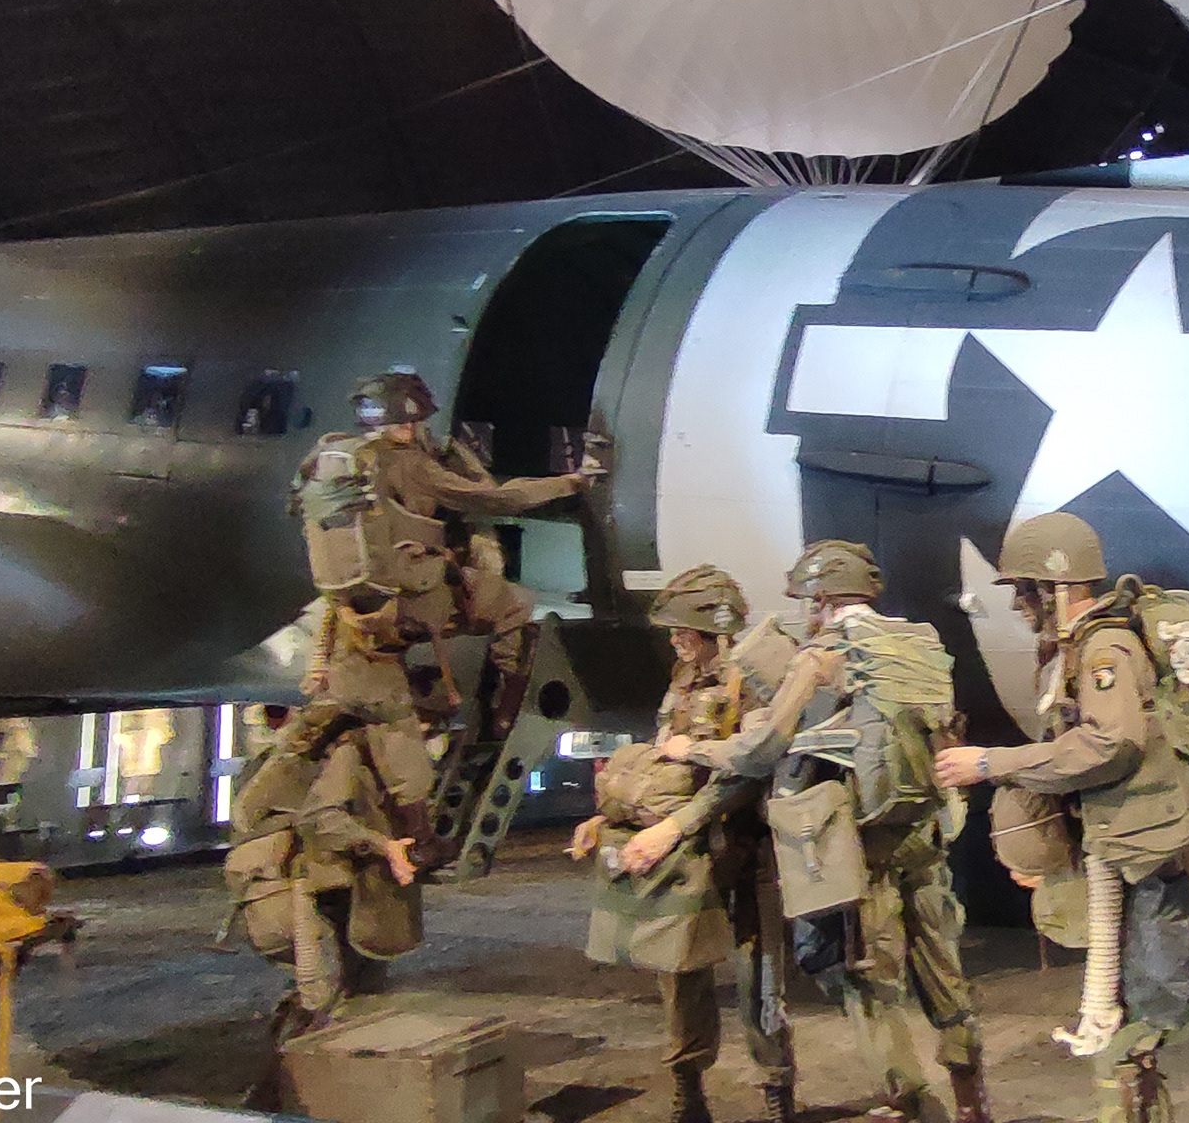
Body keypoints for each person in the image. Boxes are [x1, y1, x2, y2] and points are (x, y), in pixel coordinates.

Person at [652, 540, 991, 1123]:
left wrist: (692, 749)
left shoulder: (822, 655)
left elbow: (759, 751)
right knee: (944, 973)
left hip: (864, 845)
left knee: (863, 979)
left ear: (822, 598)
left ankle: (912, 1104)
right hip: (924, 834)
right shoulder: (916, 643)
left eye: (809, 601)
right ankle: (972, 1103)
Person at [934, 512, 1189, 1123]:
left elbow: (1110, 744)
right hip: (1119, 843)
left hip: (1143, 851)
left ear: (1055, 587)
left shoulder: (1104, 648)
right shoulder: (1075, 648)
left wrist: (991, 763)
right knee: (1122, 1008)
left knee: (1145, 1015)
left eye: (1025, 590)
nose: (1019, 605)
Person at [289, 369, 597, 866]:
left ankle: (412, 831)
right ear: (409, 420)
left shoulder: (331, 457)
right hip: (412, 602)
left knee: (385, 719)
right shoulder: (410, 464)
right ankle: (503, 709)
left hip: (352, 613)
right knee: (516, 604)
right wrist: (570, 482)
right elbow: (496, 498)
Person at [572, 566, 797, 1123]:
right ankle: (688, 1089)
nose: (675, 640)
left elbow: (752, 770)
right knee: (678, 973)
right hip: (689, 851)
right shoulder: (684, 678)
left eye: (684, 631)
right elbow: (659, 758)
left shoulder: (758, 678)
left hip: (749, 848)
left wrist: (675, 825)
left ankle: (776, 1089)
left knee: (760, 979)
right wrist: (610, 816)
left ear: (715, 628)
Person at [225, 710, 421, 1111]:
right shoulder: (346, 753)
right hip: (299, 886)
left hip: (323, 888)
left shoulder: (341, 751)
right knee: (322, 1001)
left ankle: (324, 1098)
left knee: (352, 995)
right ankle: (286, 1101)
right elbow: (321, 821)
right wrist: (382, 846)